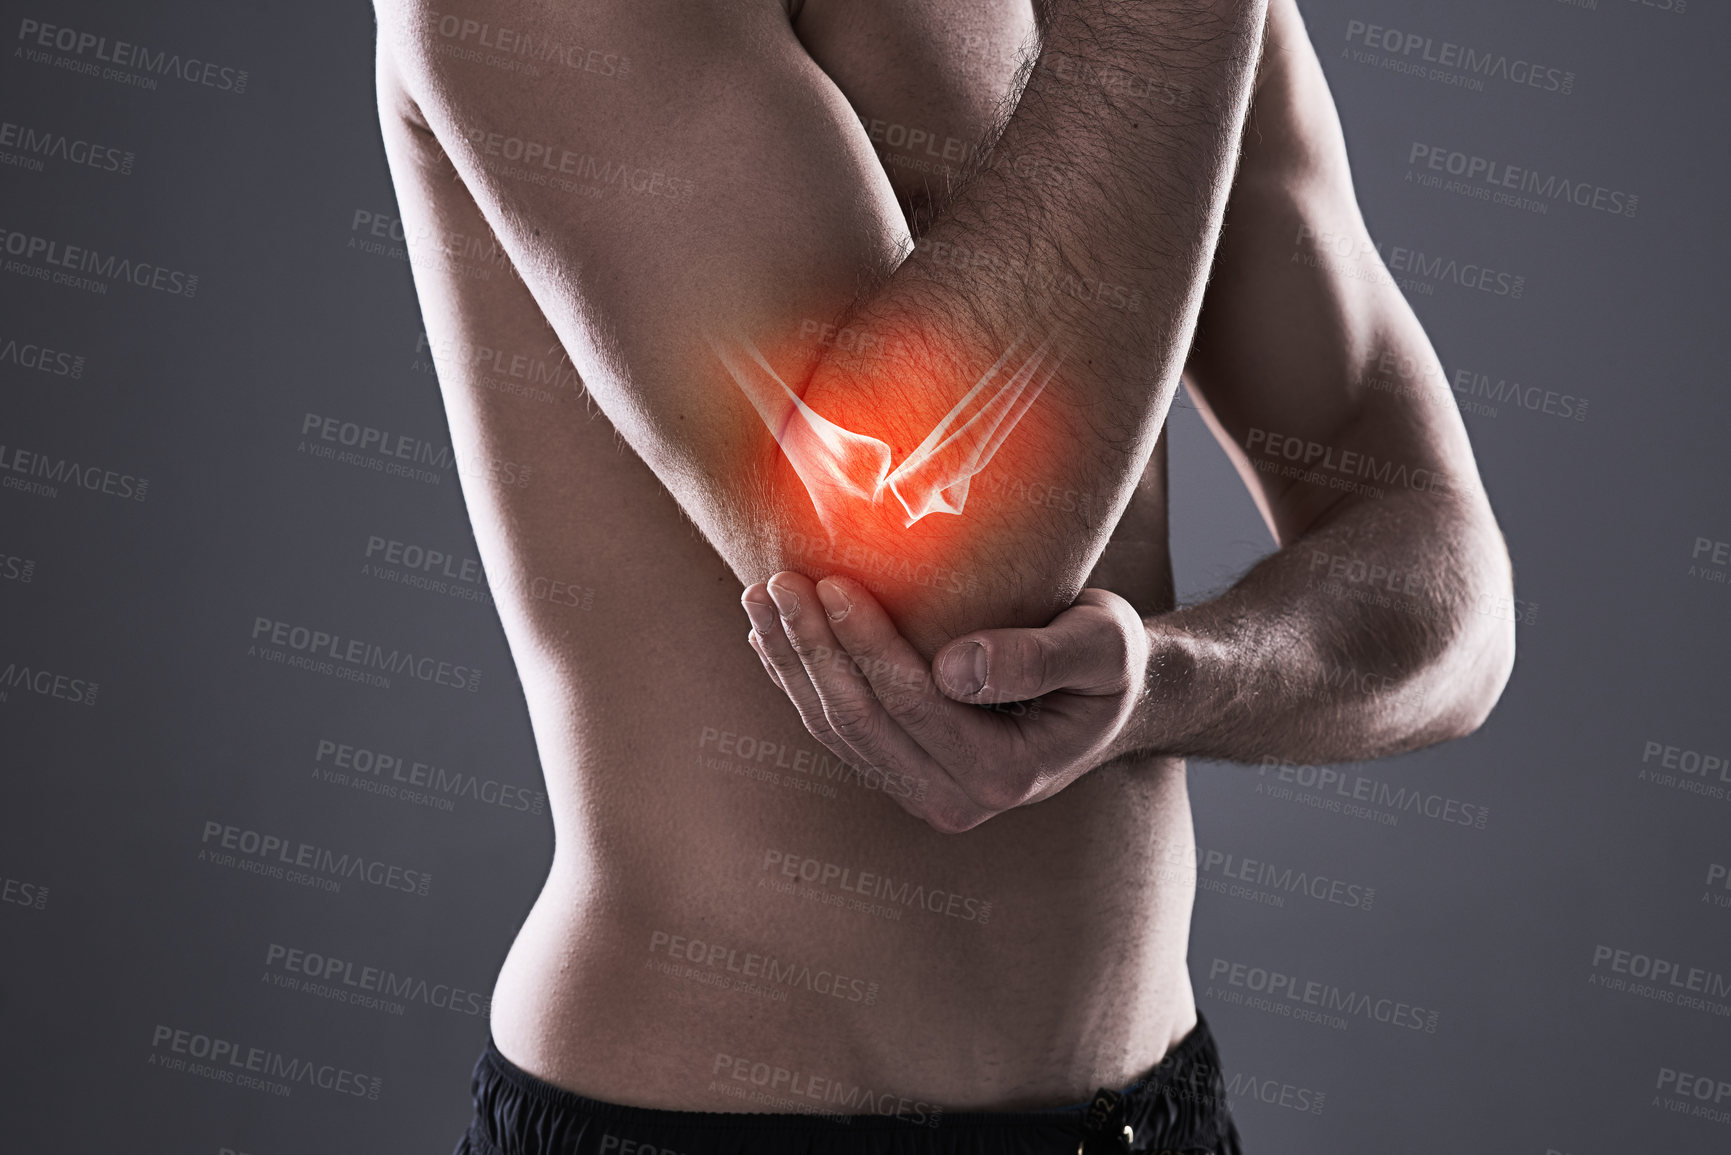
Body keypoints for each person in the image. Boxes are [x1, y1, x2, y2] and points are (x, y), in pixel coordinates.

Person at [369, 0, 1514, 1151]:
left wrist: (1164, 684)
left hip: (1155, 1106)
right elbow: (925, 599)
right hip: (710, 1123)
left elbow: (1451, 595)